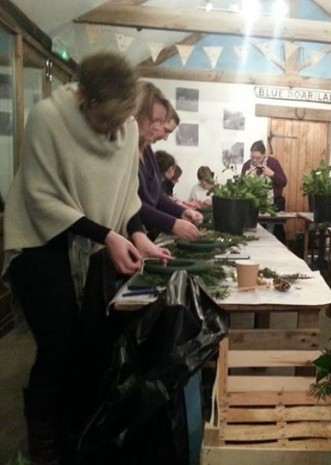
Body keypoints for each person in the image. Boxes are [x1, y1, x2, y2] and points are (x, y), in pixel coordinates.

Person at [2, 52, 171, 464]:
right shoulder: (47, 118)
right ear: (85, 99)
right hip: (40, 243)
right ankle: (44, 447)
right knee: (57, 345)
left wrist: (136, 234)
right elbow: (42, 197)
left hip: (93, 245)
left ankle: (75, 435)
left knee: (91, 345)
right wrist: (108, 236)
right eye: (106, 121)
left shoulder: (126, 126)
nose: (115, 130)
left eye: (122, 121)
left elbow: (126, 194)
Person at [136, 82, 202, 240]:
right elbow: (131, 204)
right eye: (156, 121)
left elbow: (157, 195)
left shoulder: (147, 151)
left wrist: (181, 211)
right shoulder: (127, 151)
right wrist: (172, 223)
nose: (163, 136)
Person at [241, 140, 287, 211]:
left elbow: (284, 182)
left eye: (258, 158)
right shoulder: (247, 165)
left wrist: (272, 174)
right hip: (253, 202)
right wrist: (246, 176)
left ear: (264, 154)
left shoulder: (273, 163)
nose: (255, 160)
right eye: (252, 157)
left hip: (274, 202)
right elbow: (240, 186)